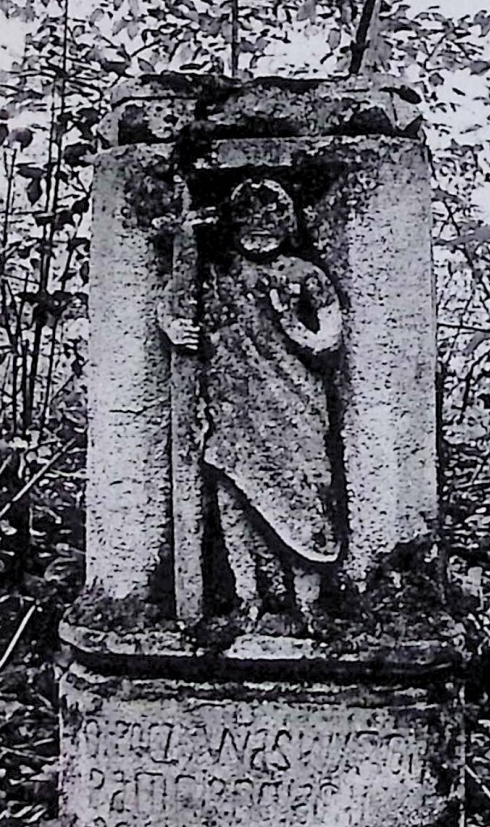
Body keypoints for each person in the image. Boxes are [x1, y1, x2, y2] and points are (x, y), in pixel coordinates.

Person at [162, 178, 344, 625]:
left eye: (270, 217)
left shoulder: (305, 275)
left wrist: (290, 325)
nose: (259, 230)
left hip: (294, 404)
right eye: (248, 218)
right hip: (233, 405)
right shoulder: (219, 274)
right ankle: (250, 599)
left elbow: (329, 339)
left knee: (305, 492)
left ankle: (308, 603)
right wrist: (170, 324)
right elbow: (173, 298)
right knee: (235, 495)